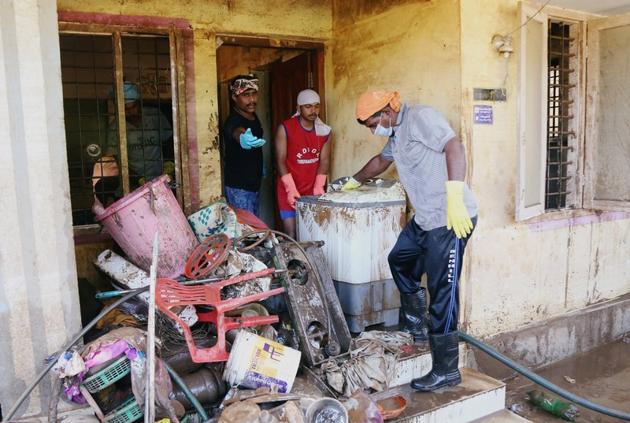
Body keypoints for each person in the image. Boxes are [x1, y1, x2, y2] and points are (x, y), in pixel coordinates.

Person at [342, 90, 477, 392]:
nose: (371, 130)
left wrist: (455, 195)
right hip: (426, 219)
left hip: (450, 219)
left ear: (388, 110)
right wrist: (351, 181)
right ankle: (416, 323)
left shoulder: (421, 118)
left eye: (371, 123)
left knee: (443, 294)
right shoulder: (398, 134)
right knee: (399, 260)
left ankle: (446, 370)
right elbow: (380, 161)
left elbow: (453, 145)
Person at [93, 81, 173, 204]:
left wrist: (169, 164)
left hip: (160, 175)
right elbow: (117, 158)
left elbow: (168, 141)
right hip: (134, 181)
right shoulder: (116, 128)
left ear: (139, 103)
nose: (132, 112)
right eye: (127, 109)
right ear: (119, 109)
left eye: (134, 106)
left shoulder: (154, 115)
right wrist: (138, 179)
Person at [275, 89, 331, 238]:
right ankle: (293, 262)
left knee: (313, 234)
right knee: (291, 233)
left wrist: (319, 186)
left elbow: (324, 161)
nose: (313, 110)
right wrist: (290, 189)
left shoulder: (325, 131)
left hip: (312, 190)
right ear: (299, 108)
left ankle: (308, 262)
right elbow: (280, 161)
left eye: (316, 106)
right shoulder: (285, 128)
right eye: (308, 106)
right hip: (289, 189)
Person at [222, 74, 266, 216]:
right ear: (235, 98)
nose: (252, 100)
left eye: (254, 94)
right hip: (239, 188)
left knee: (254, 229)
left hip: (253, 184)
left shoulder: (252, 116)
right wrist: (242, 137)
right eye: (246, 95)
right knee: (246, 233)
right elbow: (235, 131)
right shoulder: (233, 121)